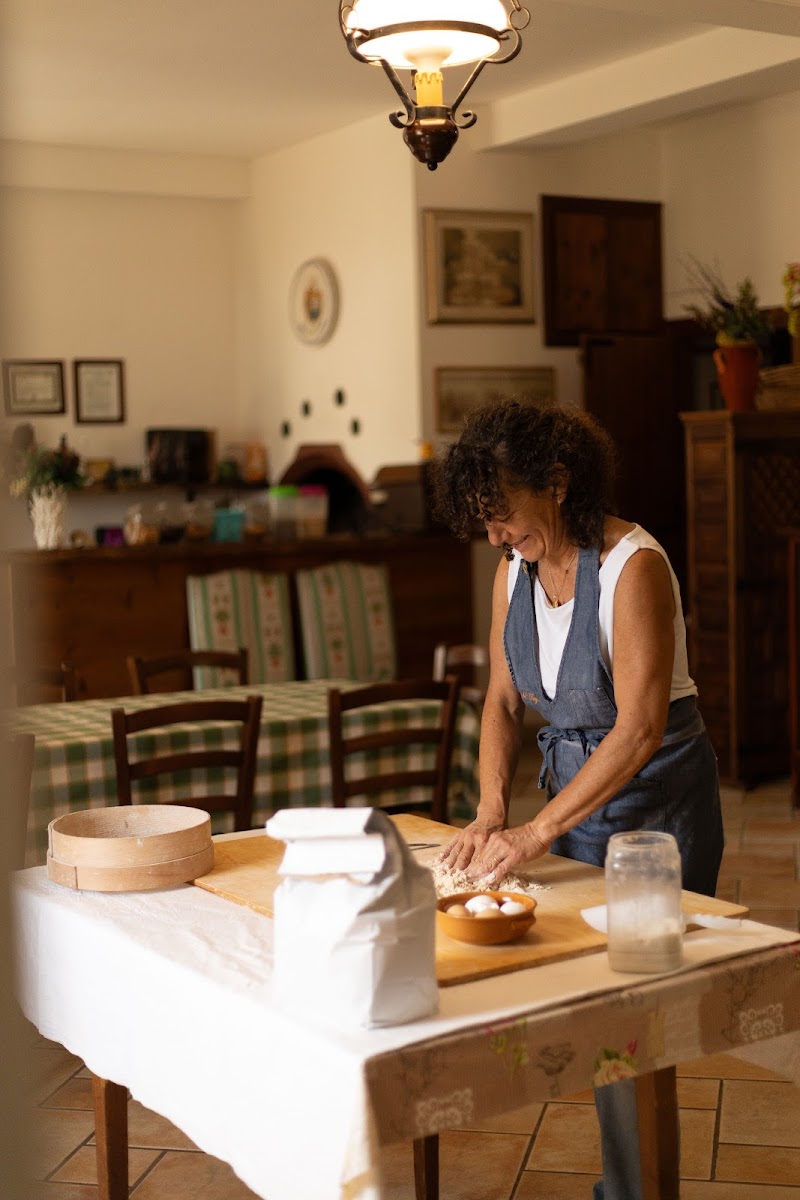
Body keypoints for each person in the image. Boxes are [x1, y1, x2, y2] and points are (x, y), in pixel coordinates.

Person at [434, 399, 724, 1200]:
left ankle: (638, 1193)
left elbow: (637, 730)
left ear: (558, 483)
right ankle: (627, 1188)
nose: (494, 535)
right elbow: (502, 701)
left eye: (503, 513)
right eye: (484, 520)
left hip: (657, 815)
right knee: (599, 1013)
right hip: (574, 805)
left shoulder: (635, 567)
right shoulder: (513, 572)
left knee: (634, 1018)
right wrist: (492, 809)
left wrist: (536, 832)